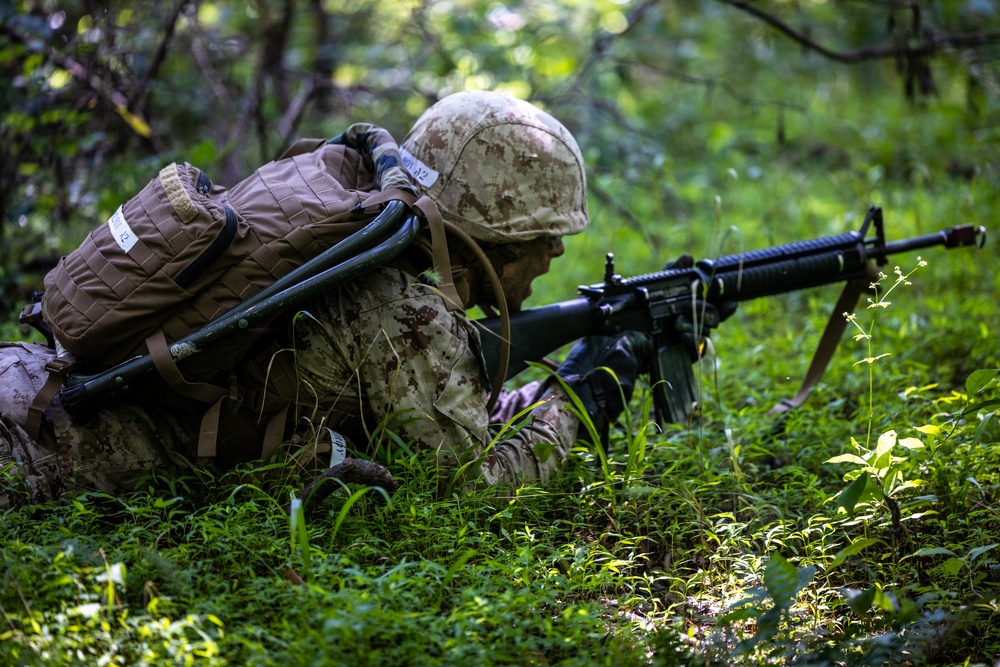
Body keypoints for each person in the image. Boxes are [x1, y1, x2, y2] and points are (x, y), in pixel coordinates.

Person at [0, 90, 650, 508]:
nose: (557, 254)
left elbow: (449, 409)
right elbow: (473, 490)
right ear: (495, 235)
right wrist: (578, 403)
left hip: (27, 377)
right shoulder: (407, 311)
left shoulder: (343, 208)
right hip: (51, 456)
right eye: (545, 236)